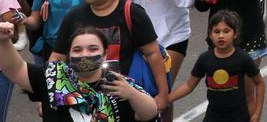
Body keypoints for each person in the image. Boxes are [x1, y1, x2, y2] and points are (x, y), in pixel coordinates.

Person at [50, 0, 171, 111]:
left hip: (126, 97)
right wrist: (49, 94)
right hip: (84, 99)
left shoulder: (133, 13)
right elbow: (57, 58)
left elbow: (152, 53)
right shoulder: (74, 17)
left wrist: (163, 93)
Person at [0, 21, 159, 122]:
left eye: (92, 49)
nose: (84, 54)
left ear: (104, 54)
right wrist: (3, 40)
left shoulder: (118, 84)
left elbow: (149, 113)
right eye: (77, 50)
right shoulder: (54, 77)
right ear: (69, 55)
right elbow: (15, 68)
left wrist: (131, 93)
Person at [168, 10, 266, 122]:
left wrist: (257, 113)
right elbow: (189, 85)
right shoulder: (205, 59)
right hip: (213, 117)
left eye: (226, 31)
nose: (221, 36)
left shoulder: (243, 58)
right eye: (216, 31)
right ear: (210, 34)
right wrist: (165, 99)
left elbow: (259, 83)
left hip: (239, 117)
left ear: (235, 34)